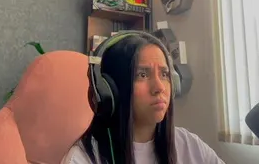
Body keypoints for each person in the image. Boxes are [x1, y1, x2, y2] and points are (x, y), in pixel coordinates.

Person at [67, 31, 224, 164]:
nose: (160, 87)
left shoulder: (190, 146)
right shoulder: (82, 159)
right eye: (142, 75)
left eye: (164, 74)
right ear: (111, 90)